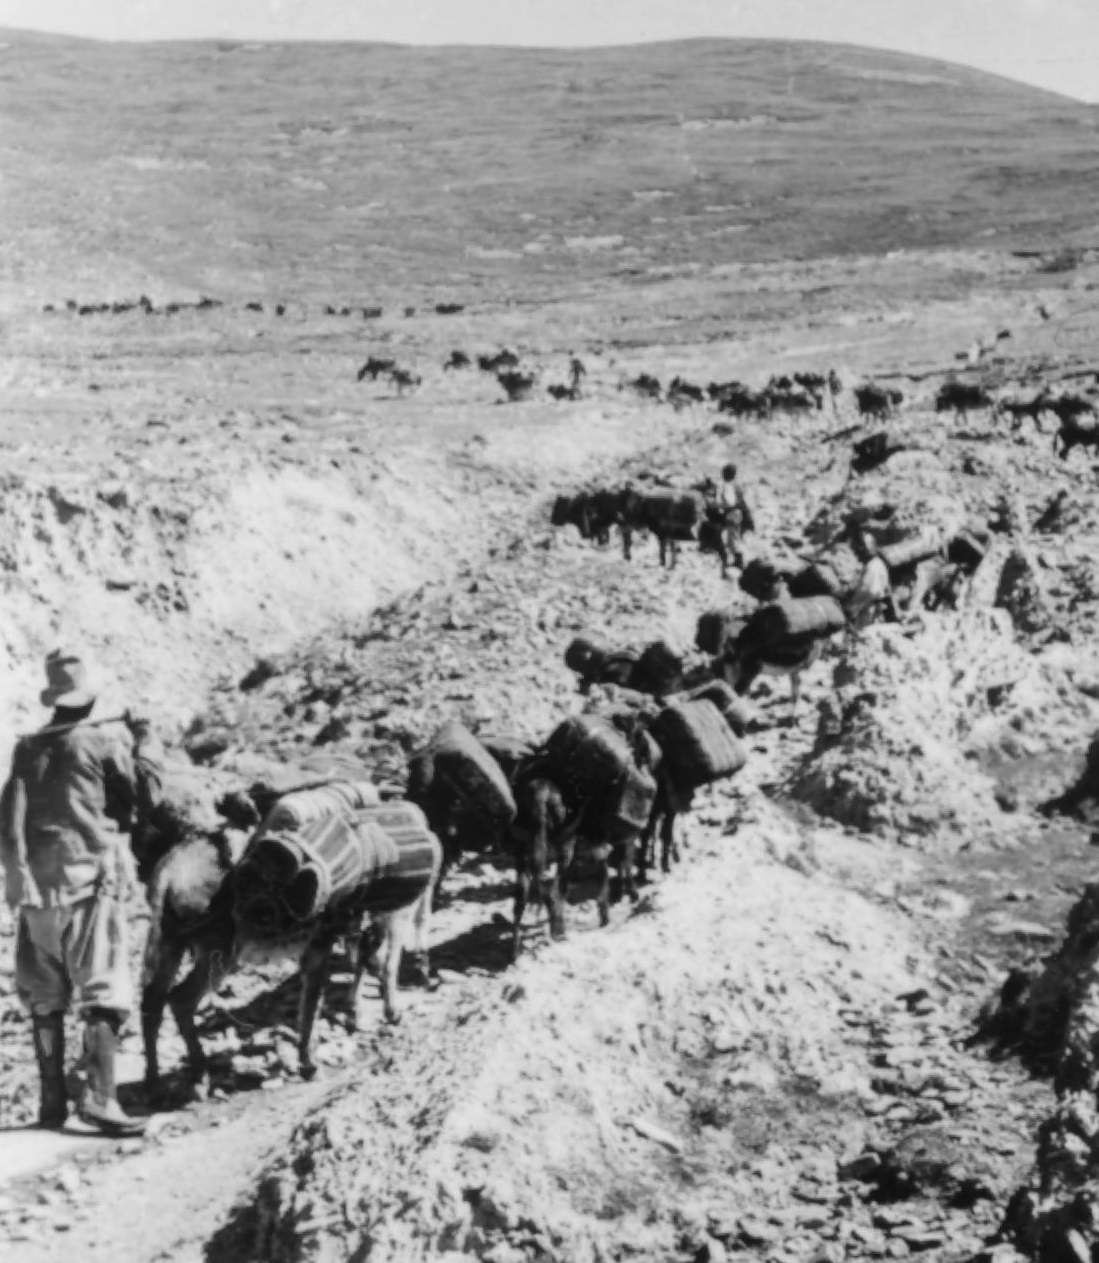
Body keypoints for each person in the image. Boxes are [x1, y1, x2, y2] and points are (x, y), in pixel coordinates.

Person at [0, 650, 164, 1134]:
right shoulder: (101, 742)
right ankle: (100, 1098)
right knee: (102, 992)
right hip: (88, 883)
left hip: (34, 893)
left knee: (45, 1001)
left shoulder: (26, 750)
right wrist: (146, 738)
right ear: (87, 701)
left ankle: (52, 1103)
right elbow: (149, 794)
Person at [710, 463, 754, 575]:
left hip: (732, 514)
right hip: (739, 514)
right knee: (732, 539)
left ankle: (739, 562)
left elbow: (730, 502)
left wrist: (715, 505)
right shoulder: (737, 485)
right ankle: (737, 561)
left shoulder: (728, 485)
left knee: (732, 540)